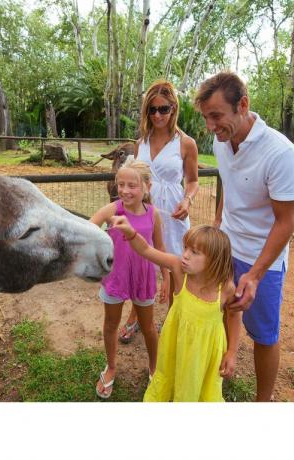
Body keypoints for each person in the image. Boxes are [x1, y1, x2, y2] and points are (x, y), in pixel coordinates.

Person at [194, 71, 294, 401]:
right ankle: (221, 376)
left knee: (264, 334)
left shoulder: (281, 155)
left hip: (262, 260)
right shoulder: (222, 139)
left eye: (216, 116)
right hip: (227, 247)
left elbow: (286, 222)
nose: (211, 127)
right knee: (224, 311)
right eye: (206, 118)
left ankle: (262, 401)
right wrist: (216, 226)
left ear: (243, 105)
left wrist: (255, 276)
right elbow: (229, 183)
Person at [110, 217, 241, 402]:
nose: (185, 255)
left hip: (204, 352)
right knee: (170, 374)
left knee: (196, 385)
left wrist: (232, 352)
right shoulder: (179, 270)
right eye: (185, 248)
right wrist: (131, 233)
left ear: (214, 260)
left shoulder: (225, 288)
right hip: (176, 341)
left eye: (194, 252)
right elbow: (147, 250)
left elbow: (234, 316)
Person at [118, 79, 199, 344]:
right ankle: (135, 316)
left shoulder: (186, 143)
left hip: (174, 214)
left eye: (163, 109)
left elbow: (193, 181)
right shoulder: (140, 143)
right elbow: (136, 180)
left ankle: (172, 323)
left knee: (174, 269)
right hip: (146, 213)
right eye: (152, 110)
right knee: (142, 266)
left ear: (174, 108)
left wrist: (187, 201)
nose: (157, 115)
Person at [90, 157, 168, 399]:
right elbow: (89, 227)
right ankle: (111, 367)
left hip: (143, 279)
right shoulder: (113, 210)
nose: (124, 190)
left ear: (147, 187)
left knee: (148, 328)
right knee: (111, 325)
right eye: (120, 184)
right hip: (116, 277)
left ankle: (154, 367)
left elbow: (160, 247)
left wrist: (166, 277)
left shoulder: (153, 214)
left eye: (131, 185)